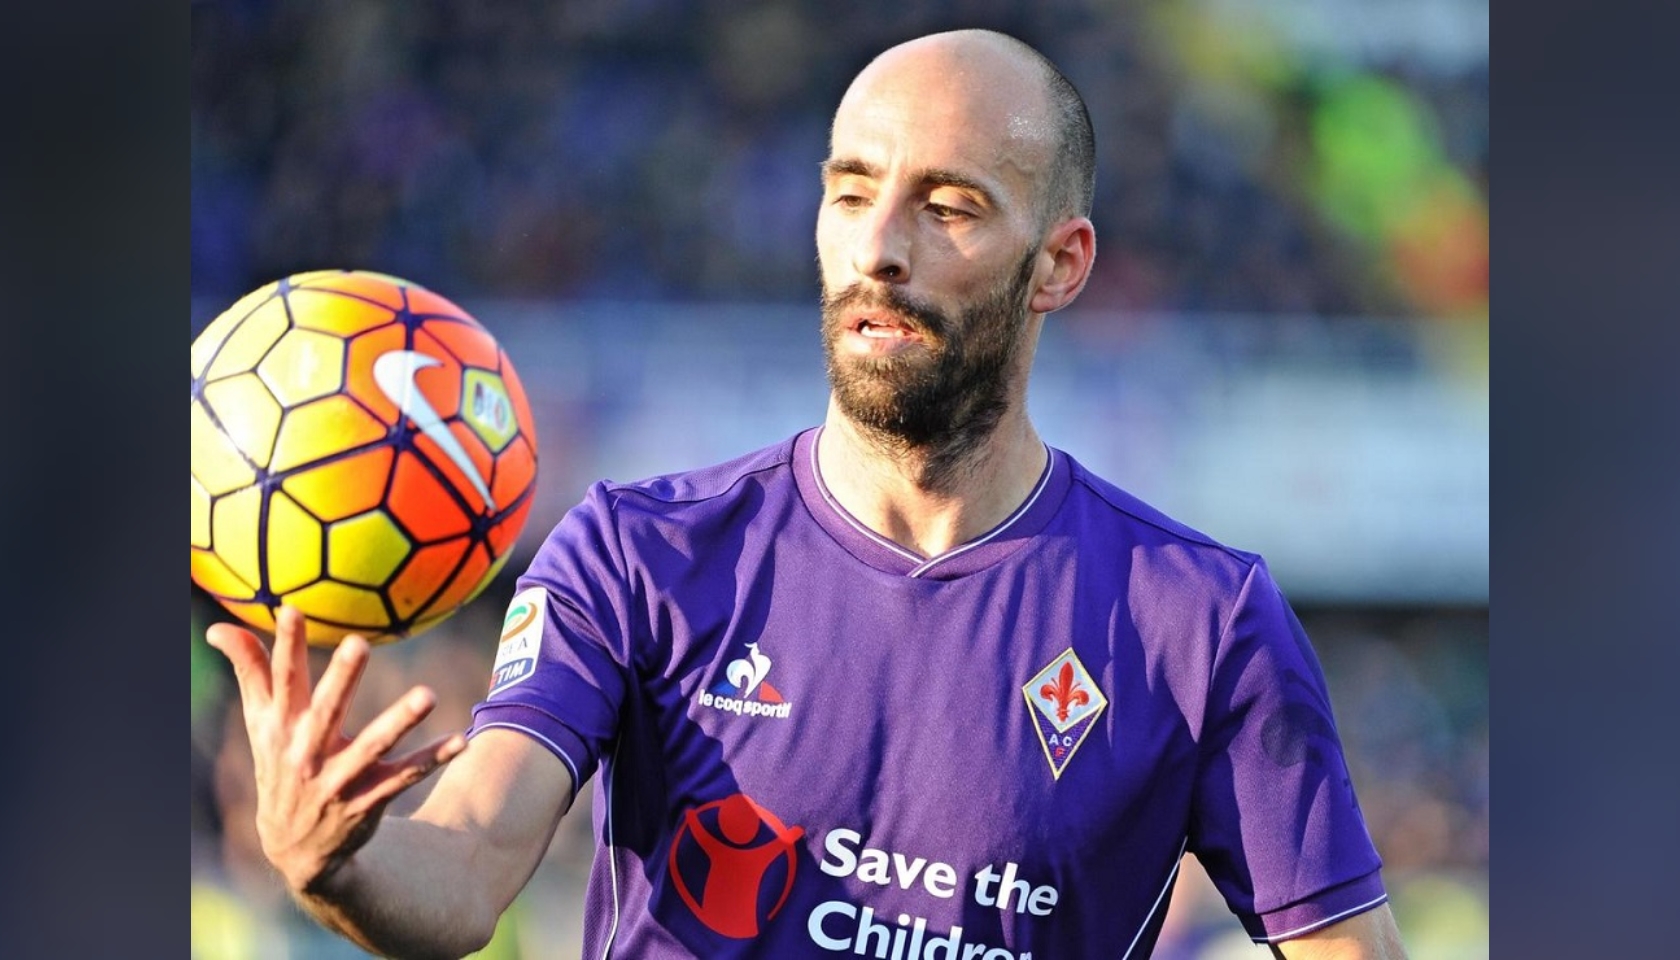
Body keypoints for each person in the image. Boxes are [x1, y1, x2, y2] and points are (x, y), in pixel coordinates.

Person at [208, 28, 1409, 960]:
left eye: (948, 206)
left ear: (1061, 263)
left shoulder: (1200, 623)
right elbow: (464, 865)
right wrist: (341, 861)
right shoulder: (639, 555)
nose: (880, 243)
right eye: (850, 190)